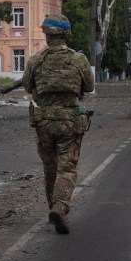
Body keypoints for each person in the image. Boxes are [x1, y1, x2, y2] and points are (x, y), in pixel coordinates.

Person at [22, 13, 94, 234]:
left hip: (43, 122)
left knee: (50, 168)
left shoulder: (35, 60)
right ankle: (60, 206)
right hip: (69, 122)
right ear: (66, 34)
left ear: (46, 34)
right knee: (67, 168)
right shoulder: (78, 59)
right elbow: (89, 87)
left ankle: (52, 208)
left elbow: (27, 86)